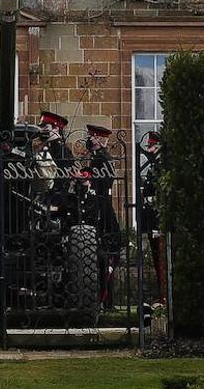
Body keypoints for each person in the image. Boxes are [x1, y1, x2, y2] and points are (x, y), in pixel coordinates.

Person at [83, 123, 123, 310]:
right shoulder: (98, 158)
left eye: (92, 137)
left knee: (104, 257)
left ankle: (104, 299)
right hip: (100, 207)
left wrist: (86, 179)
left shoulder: (101, 159)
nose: (89, 140)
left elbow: (99, 184)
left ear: (99, 140)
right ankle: (105, 300)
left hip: (102, 211)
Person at [138, 130, 167, 305]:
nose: (148, 149)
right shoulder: (153, 166)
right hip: (151, 217)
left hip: (158, 217)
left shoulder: (161, 165)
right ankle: (161, 292)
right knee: (156, 258)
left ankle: (164, 295)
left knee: (161, 258)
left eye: (151, 146)